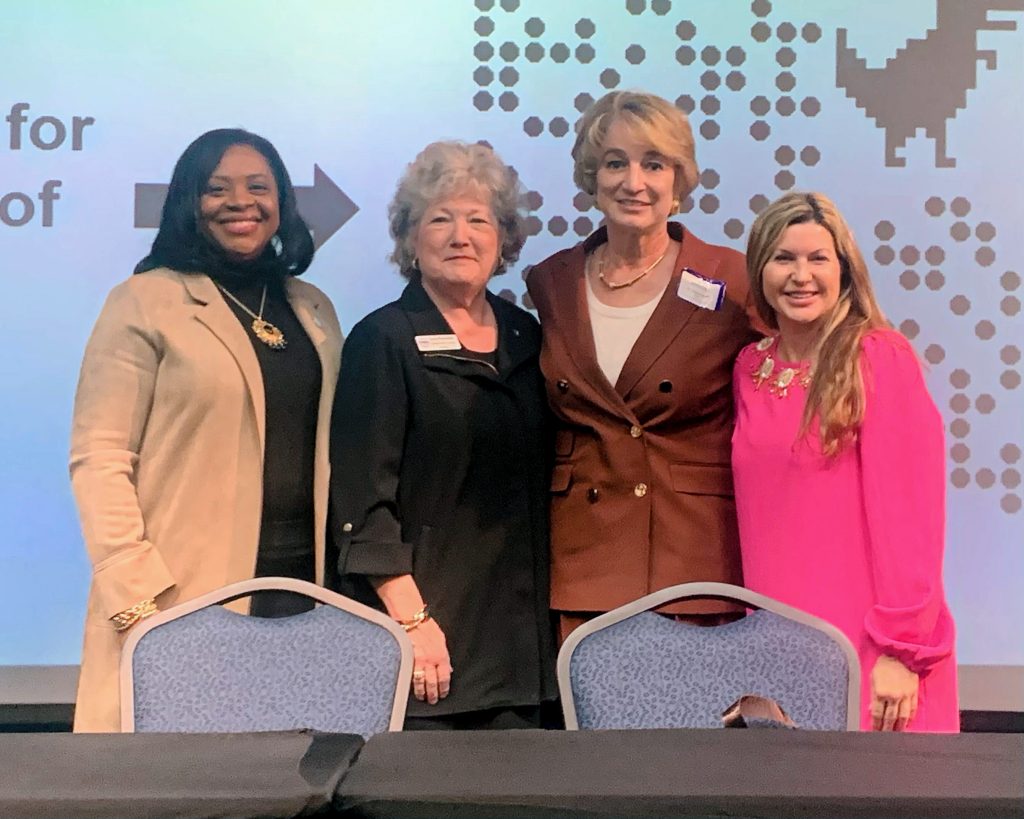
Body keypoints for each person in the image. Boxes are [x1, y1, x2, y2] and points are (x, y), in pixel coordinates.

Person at [70, 128, 343, 732]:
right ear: (189, 204)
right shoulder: (143, 301)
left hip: (305, 592)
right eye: (216, 189)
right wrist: (136, 596)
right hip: (179, 598)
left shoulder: (314, 308)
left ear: (281, 204)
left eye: (257, 187)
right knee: (187, 785)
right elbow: (100, 457)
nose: (239, 202)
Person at [329, 141, 556, 729]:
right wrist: (413, 622)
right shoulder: (382, 340)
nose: (462, 235)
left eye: (479, 219)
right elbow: (362, 504)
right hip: (433, 648)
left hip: (527, 652)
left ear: (503, 240)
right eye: (440, 219)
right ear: (408, 240)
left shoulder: (528, 336)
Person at [525, 90, 763, 641]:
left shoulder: (734, 279)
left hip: (695, 559)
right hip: (584, 560)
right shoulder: (551, 282)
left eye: (654, 164)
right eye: (615, 163)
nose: (634, 182)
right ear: (592, 176)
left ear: (678, 183)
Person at [732, 191, 958, 731]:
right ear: (760, 269)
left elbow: (911, 520)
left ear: (845, 270)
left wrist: (902, 651)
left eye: (818, 258)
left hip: (872, 654)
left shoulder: (878, 357)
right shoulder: (748, 366)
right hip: (780, 651)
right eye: (783, 258)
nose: (800, 275)